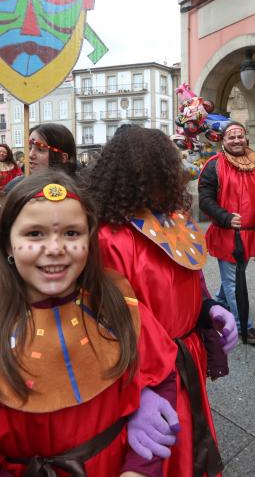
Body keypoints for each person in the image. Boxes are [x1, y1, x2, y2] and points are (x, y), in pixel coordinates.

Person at [0, 172, 181, 476]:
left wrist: (140, 465)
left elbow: (161, 375)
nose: (55, 248)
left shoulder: (120, 311)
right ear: (8, 245)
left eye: (72, 233)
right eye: (34, 234)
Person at [88, 126, 236, 477]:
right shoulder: (108, 238)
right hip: (146, 370)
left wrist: (209, 308)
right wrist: (134, 392)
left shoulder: (178, 223)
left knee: (190, 443)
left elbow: (192, 278)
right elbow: (106, 323)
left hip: (189, 360)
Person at [198, 121, 255, 345]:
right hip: (227, 235)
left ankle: (218, 303)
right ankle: (242, 325)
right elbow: (205, 201)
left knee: (234, 277)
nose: (236, 141)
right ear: (223, 141)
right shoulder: (213, 166)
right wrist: (225, 217)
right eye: (231, 137)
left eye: (240, 137)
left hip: (251, 235)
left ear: (246, 138)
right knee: (235, 280)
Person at [4, 123, 77, 192]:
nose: (30, 155)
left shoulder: (76, 193)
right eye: (29, 148)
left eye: (40, 150)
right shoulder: (15, 187)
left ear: (62, 158)